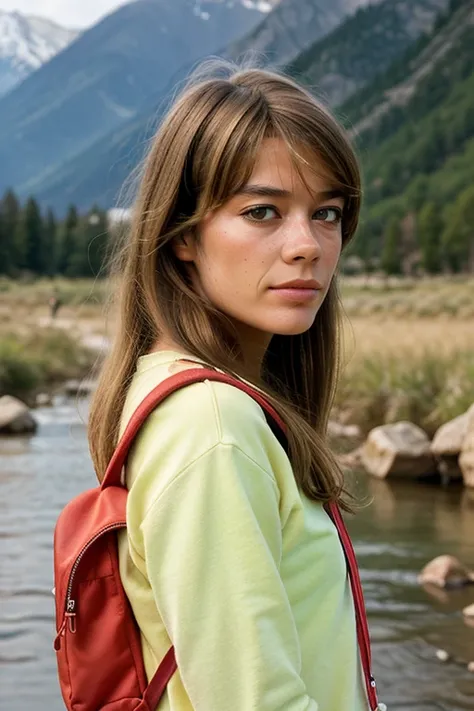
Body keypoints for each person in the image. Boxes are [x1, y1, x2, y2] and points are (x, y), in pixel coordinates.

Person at [88, 60, 371, 711]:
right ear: (184, 235)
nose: (307, 245)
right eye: (263, 210)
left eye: (326, 212)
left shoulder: (174, 390)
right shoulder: (211, 423)